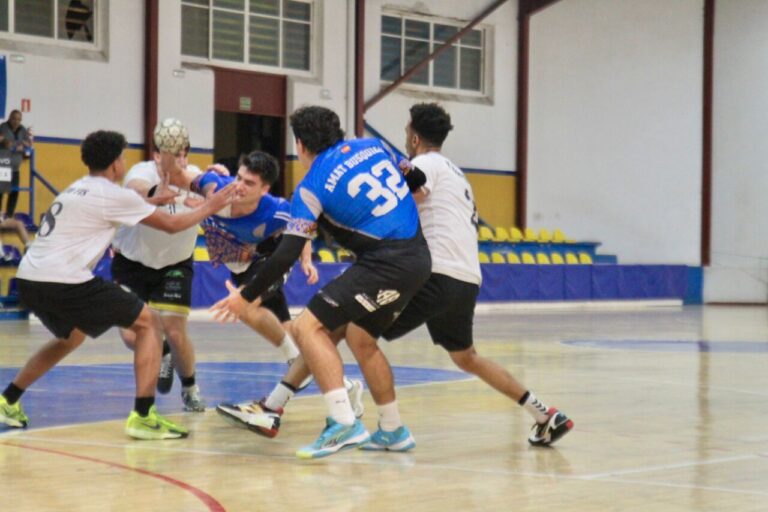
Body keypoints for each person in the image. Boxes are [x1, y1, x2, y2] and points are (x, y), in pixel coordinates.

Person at [210, 106, 431, 459]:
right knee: (356, 337)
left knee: (305, 327)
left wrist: (246, 297)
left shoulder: (310, 187)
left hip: (384, 263)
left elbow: (285, 254)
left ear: (300, 144)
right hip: (418, 257)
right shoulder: (373, 146)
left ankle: (343, 421)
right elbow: (418, 181)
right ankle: (392, 429)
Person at [0, 130, 235, 439]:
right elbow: (172, 224)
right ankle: (143, 415)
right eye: (123, 157)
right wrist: (212, 204)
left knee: (71, 338)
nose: (124, 162)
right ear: (115, 165)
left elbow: (133, 202)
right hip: (64, 279)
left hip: (30, 278)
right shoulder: (112, 194)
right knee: (150, 323)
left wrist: (155, 198)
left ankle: (8, 399)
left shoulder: (74, 189)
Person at [384, 103, 573, 446]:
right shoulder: (456, 173)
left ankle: (374, 423)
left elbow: (409, 194)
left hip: (437, 273)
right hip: (467, 277)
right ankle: (544, 415)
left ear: (413, 137)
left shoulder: (422, 165)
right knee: (466, 357)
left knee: (355, 329)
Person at [187, 151, 363, 437]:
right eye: (239, 178)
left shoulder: (279, 208)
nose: (241, 185)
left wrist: (305, 260)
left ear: (264, 188)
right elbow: (187, 179)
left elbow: (301, 230)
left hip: (269, 265)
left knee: (244, 305)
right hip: (242, 268)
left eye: (250, 182)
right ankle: (346, 387)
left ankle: (285, 381)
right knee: (297, 336)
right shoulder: (218, 187)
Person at [111, 131, 208, 412]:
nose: (178, 160)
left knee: (175, 332)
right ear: (156, 155)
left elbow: (214, 192)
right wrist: (157, 195)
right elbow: (136, 189)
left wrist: (217, 186)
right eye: (171, 153)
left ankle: (190, 388)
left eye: (182, 154)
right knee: (132, 335)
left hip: (175, 264)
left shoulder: (195, 177)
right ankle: (162, 353)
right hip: (132, 263)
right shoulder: (141, 172)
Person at [0, 110, 32, 217]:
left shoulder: (23, 130)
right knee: (1, 192)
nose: (16, 121)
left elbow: (27, 145)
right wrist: (15, 145)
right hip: (3, 166)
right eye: (14, 118)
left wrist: (24, 146)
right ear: (9, 117)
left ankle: (9, 216)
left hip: (15, 169)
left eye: (18, 119)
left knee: (14, 193)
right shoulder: (2, 128)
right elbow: (5, 143)